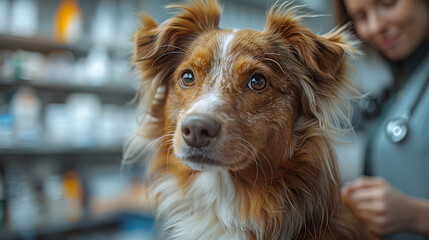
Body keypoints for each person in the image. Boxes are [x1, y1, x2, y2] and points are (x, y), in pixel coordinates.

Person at [334, 0, 429, 239]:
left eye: (388, 3)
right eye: (361, 17)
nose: (375, 26)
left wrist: (415, 215)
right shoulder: (397, 88)